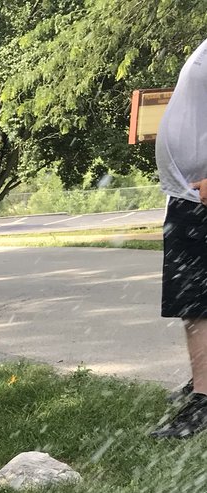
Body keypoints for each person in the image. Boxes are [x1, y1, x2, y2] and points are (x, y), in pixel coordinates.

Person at [150, 36, 207, 439]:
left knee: (199, 304)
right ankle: (202, 383)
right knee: (195, 302)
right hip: (188, 196)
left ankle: (204, 404)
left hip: (200, 196)